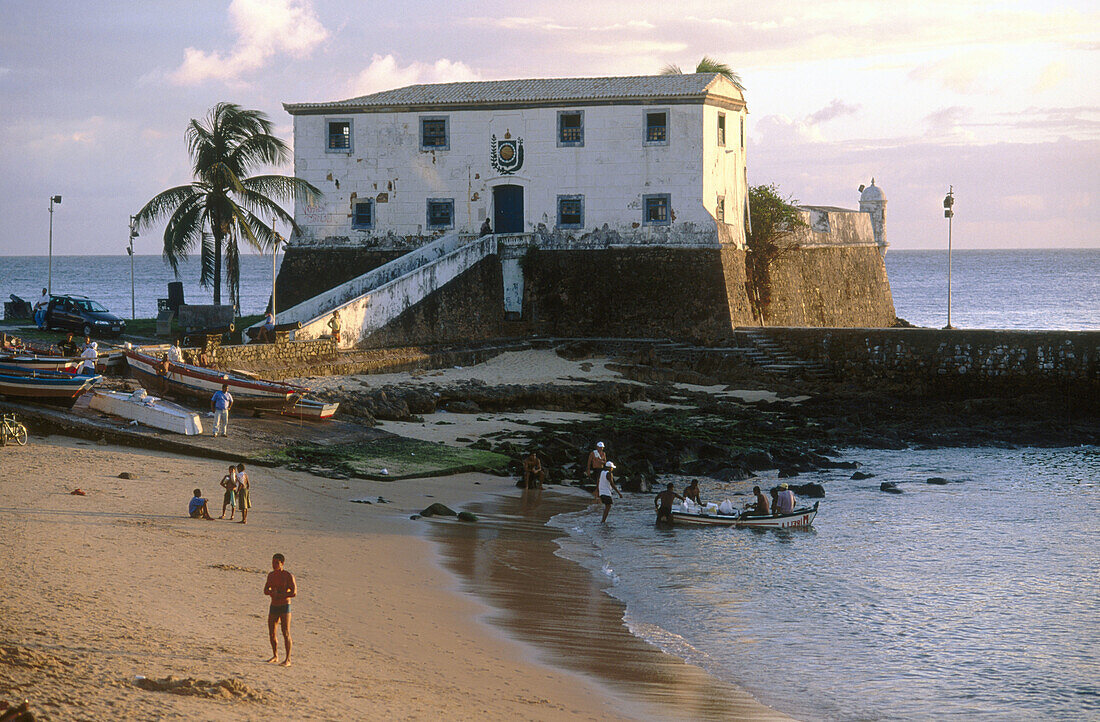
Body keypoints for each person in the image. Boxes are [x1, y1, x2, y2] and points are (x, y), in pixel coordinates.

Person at [263, 553, 296, 667]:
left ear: (282, 563)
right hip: (274, 605)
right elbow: (265, 590)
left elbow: (293, 592)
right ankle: (275, 655)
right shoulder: (271, 575)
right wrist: (272, 593)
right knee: (272, 632)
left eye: (276, 563)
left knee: (285, 632)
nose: (274, 565)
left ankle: (288, 659)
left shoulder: (288, 576)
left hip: (285, 606)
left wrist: (280, 594)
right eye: (273, 562)